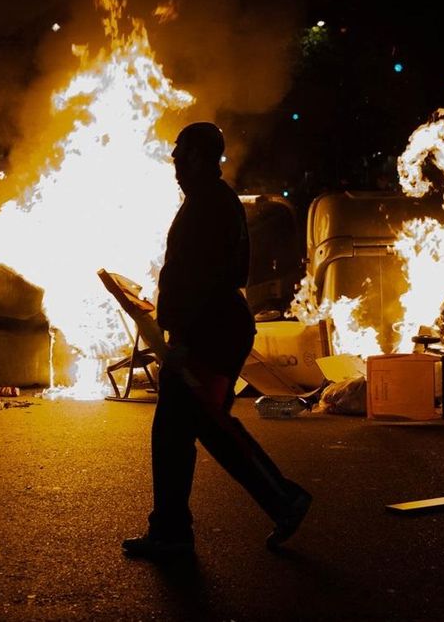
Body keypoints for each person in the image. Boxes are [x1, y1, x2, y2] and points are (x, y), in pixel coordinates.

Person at [122, 122, 312, 560]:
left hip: (209, 334)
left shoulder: (208, 205)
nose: (173, 160)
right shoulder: (211, 200)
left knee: (178, 428)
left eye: (180, 152)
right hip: (215, 328)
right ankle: (277, 502)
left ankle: (176, 531)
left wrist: (182, 338)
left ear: (199, 156)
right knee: (203, 425)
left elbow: (203, 280)